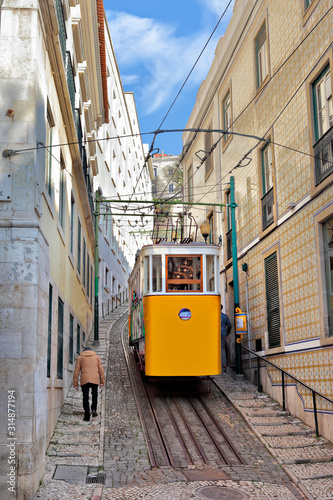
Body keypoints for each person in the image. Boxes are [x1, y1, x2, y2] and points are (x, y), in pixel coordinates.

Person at [73, 346, 105, 421]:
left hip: (85, 379)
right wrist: (102, 381)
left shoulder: (80, 358)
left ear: (84, 351)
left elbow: (76, 372)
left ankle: (87, 415)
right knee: (95, 394)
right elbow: (101, 370)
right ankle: (93, 409)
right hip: (95, 379)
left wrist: (75, 384)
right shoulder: (96, 357)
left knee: (85, 397)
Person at [221, 305, 232, 372]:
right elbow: (229, 325)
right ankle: (224, 365)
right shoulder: (225, 316)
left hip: (215, 334)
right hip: (223, 334)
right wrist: (227, 333)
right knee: (222, 349)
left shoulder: (212, 315)